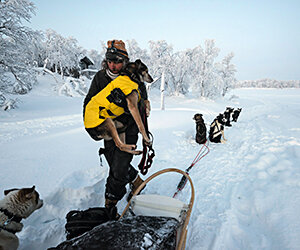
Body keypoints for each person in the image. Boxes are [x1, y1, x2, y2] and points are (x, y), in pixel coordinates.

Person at [83, 40, 151, 212]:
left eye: (118, 62)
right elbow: (89, 101)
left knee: (119, 167)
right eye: (110, 61)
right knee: (112, 160)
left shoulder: (133, 79)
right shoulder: (100, 77)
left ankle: (110, 204)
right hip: (109, 126)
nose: (113, 66)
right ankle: (136, 181)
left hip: (129, 127)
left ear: (125, 62)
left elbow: (141, 106)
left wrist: (127, 106)